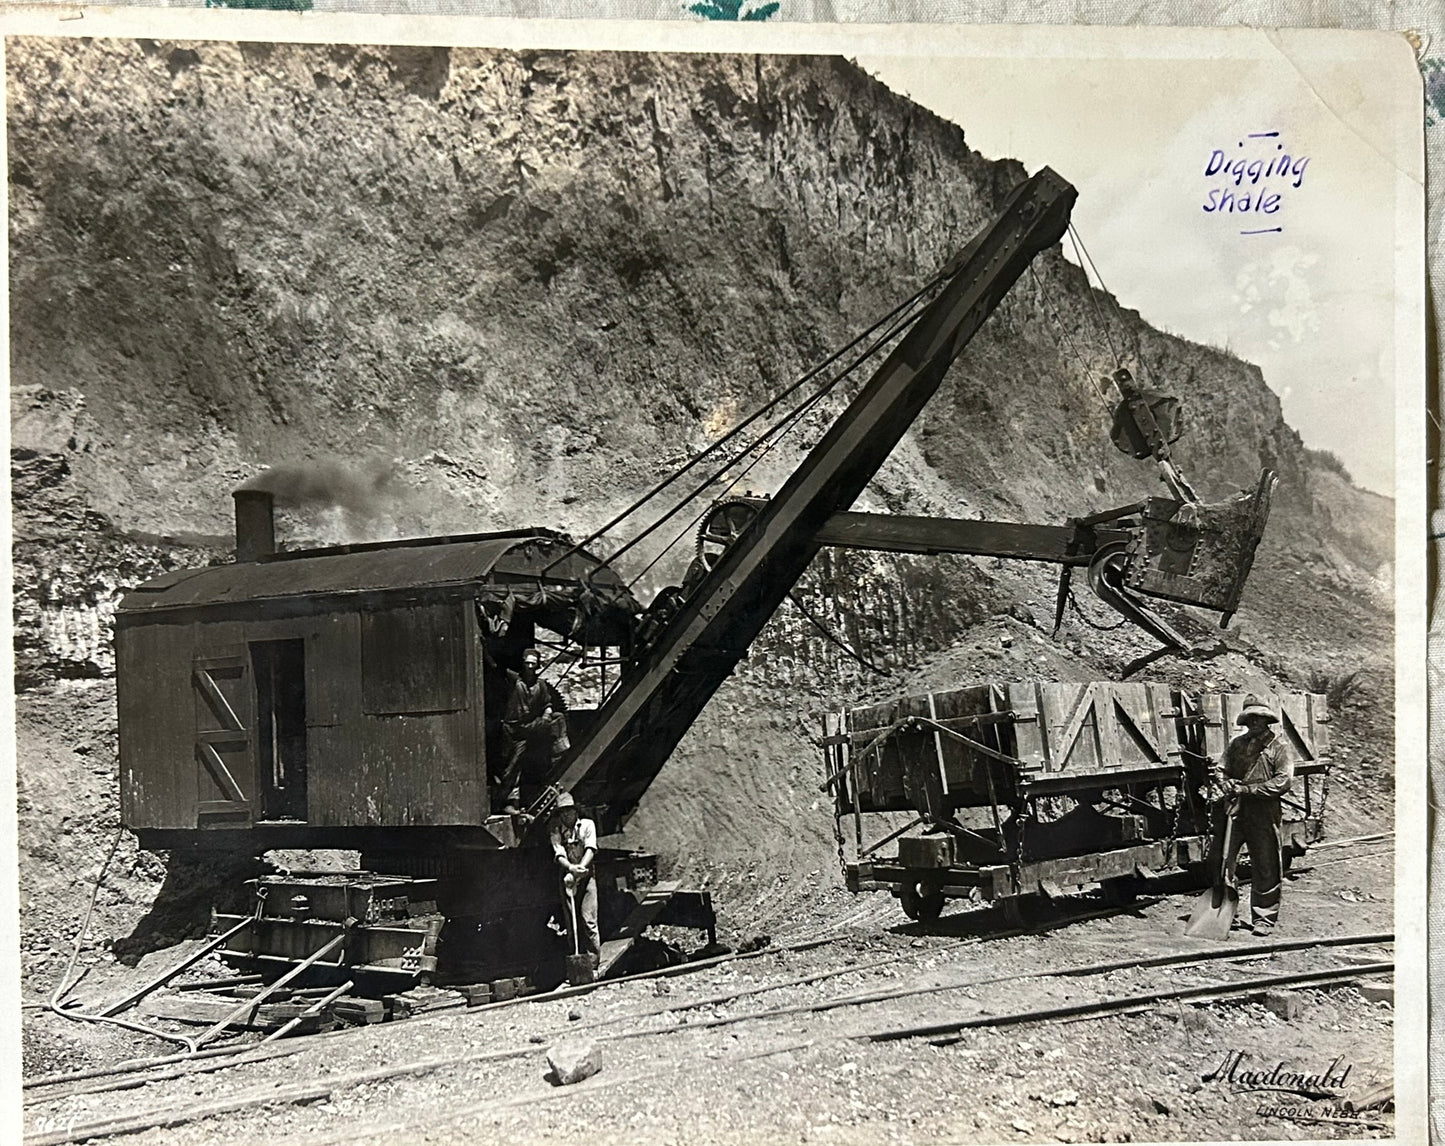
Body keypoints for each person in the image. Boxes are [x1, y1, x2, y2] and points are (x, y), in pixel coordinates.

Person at [1208, 694, 1294, 935]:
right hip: (1234, 809)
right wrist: (1224, 783)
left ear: (1268, 721)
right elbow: (1220, 769)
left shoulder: (1279, 748)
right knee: (1222, 861)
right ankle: (1226, 913)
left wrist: (1248, 789)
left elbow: (1283, 781)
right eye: (1250, 719)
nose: (1254, 723)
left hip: (1263, 812)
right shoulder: (1237, 744)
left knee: (1266, 864)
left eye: (1259, 718)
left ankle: (1264, 918)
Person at [496, 648, 568, 815]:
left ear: (537, 666)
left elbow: (547, 703)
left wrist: (547, 714)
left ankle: (561, 749)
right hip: (514, 729)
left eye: (533, 664)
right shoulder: (515, 681)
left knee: (557, 718)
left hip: (532, 725)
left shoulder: (541, 685)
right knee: (512, 766)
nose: (529, 667)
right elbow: (497, 668)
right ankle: (508, 803)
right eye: (527, 663)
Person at [549, 791, 600, 968]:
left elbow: (591, 849)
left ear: (575, 811)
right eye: (562, 812)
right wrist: (570, 869)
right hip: (567, 878)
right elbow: (559, 853)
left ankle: (593, 963)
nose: (566, 815)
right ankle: (576, 963)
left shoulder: (587, 825)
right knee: (572, 923)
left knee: (588, 920)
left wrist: (579, 870)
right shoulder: (556, 830)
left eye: (569, 811)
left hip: (586, 877)